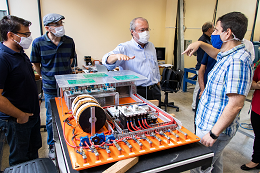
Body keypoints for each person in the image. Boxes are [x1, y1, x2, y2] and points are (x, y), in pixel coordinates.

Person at [183, 12, 253, 173]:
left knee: (198, 167)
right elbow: (215, 53)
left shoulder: (238, 61)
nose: (213, 34)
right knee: (214, 164)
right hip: (208, 122)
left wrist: (213, 134)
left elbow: (235, 105)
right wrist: (200, 43)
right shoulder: (229, 54)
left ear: (227, 33)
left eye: (216, 30)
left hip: (214, 128)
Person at [30, 13, 77, 160]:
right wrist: (46, 76)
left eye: (61, 23)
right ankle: (52, 144)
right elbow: (36, 64)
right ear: (47, 28)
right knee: (51, 117)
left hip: (67, 86)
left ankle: (69, 141)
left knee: (68, 114)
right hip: (49, 87)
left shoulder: (69, 41)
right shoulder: (38, 43)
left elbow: (70, 61)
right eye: (56, 24)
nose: (60, 27)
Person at [0, 15, 42, 166]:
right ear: (10, 35)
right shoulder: (3, 58)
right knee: (20, 160)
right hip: (17, 121)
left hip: (31, 116)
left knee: (33, 155)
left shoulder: (20, 53)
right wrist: (20, 115)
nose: (29, 38)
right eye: (25, 34)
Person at [102, 17, 161, 106]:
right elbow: (106, 61)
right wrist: (116, 56)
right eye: (142, 30)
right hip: (136, 91)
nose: (146, 32)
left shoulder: (151, 46)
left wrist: (158, 84)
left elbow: (155, 67)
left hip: (154, 90)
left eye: (147, 29)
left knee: (157, 117)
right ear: (132, 32)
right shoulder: (125, 47)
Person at [240, 65, 260, 171]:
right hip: (257, 108)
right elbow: (251, 82)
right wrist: (256, 85)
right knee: (258, 136)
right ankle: (256, 160)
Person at [191, 22, 214, 111]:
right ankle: (194, 105)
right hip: (201, 67)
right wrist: (202, 67)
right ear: (209, 29)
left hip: (204, 66)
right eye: (213, 28)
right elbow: (201, 56)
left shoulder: (207, 39)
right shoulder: (203, 40)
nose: (214, 31)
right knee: (199, 86)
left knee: (200, 85)